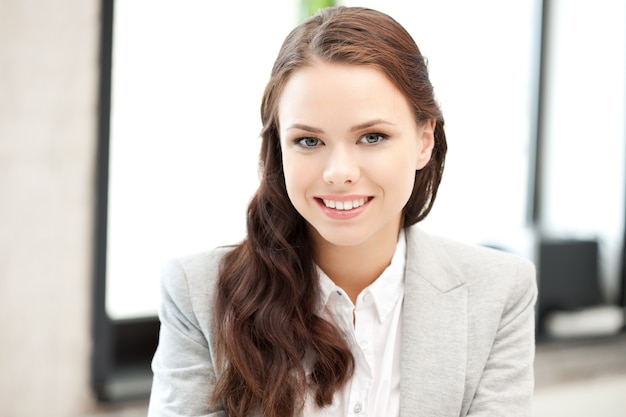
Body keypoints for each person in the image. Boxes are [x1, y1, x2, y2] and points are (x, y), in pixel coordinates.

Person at [148, 6, 537, 417]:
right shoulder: (197, 292)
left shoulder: (499, 291)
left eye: (372, 136)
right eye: (309, 141)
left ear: (424, 141)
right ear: (279, 147)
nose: (339, 173)